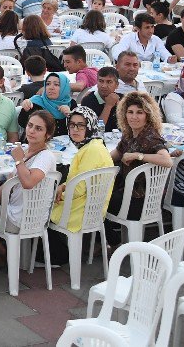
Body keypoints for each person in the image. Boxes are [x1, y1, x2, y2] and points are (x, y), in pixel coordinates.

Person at [45, 107, 114, 265]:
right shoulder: (95, 145)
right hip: (92, 209)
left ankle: (54, 258)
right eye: (72, 125)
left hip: (79, 211)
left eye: (81, 126)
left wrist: (57, 193)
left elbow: (78, 189)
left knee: (38, 208)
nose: (75, 130)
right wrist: (63, 186)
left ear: (90, 126)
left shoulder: (91, 150)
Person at [0, 110, 57, 264]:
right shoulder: (26, 151)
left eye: (39, 129)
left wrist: (19, 160)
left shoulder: (45, 156)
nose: (31, 131)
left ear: (48, 134)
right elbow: (9, 185)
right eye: (30, 125)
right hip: (18, 211)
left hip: (23, 217)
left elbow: (28, 183)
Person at [106, 91, 172, 244]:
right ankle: (111, 242)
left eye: (139, 113)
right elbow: (114, 155)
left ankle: (112, 243)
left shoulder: (150, 136)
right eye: (130, 112)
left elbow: (167, 160)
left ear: (147, 115)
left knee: (95, 203)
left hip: (140, 199)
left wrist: (138, 155)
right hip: (131, 194)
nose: (134, 117)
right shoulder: (130, 134)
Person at [110, 13, 176, 64]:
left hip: (150, 72)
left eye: (152, 27)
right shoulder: (128, 38)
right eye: (147, 27)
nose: (151, 31)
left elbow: (164, 53)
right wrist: (132, 62)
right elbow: (117, 54)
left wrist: (170, 59)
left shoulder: (156, 39)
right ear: (138, 28)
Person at [80, 66, 121, 130]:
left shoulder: (122, 99)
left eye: (109, 82)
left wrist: (120, 107)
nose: (104, 86)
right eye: (101, 81)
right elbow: (95, 129)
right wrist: (108, 106)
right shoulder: (87, 101)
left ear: (117, 85)